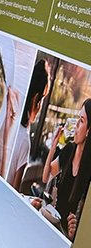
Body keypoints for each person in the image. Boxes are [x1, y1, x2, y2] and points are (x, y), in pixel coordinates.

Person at [37, 98, 90, 240]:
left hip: (66, 236)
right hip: (52, 224)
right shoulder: (69, 150)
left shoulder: (88, 172)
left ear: (88, 131)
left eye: (81, 121)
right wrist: (53, 146)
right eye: (78, 118)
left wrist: (73, 234)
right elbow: (45, 177)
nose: (76, 124)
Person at [7, 59, 49, 193]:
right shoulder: (24, 140)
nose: (40, 106)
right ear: (35, 99)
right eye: (41, 100)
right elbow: (14, 192)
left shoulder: (8, 118)